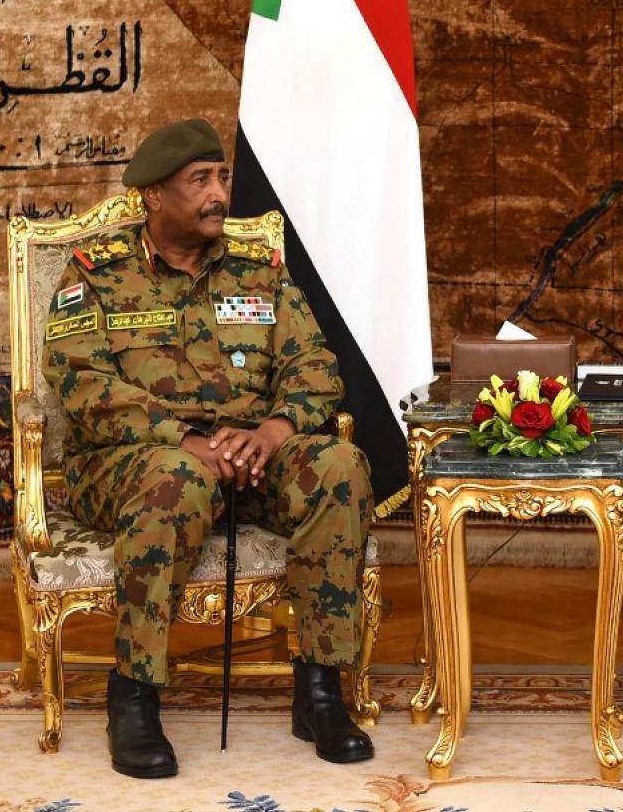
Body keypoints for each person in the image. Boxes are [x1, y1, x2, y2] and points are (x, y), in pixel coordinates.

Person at [42, 118, 375, 778]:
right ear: (154, 195)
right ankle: (134, 697)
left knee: (341, 465)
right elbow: (81, 383)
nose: (219, 192)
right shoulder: (97, 274)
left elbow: (315, 367)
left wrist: (271, 432)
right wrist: (186, 440)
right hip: (133, 460)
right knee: (179, 477)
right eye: (199, 180)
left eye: (221, 177)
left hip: (250, 454)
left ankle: (319, 691)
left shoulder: (259, 272)